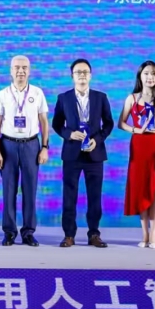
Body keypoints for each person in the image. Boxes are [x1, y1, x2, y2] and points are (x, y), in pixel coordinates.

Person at [51, 59, 114, 248]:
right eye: (78, 72)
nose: (82, 75)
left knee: (94, 196)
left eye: (85, 72)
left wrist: (98, 140)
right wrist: (69, 134)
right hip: (72, 154)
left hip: (95, 154)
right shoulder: (64, 98)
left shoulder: (100, 97)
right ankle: (69, 235)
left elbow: (109, 123)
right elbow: (56, 124)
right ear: (72, 76)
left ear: (91, 75)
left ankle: (94, 234)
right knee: (69, 196)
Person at [119, 60, 155, 248]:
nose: (150, 77)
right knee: (141, 189)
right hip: (139, 147)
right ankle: (144, 235)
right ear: (140, 76)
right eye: (146, 73)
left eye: (153, 74)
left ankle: (153, 235)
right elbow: (121, 123)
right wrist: (135, 130)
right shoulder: (132, 98)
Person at [0, 55, 50, 247]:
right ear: (11, 71)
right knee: (8, 190)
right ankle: (9, 232)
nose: (20, 71)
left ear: (29, 70)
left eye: (24, 67)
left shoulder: (37, 93)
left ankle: (28, 232)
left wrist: (44, 147)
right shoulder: (2, 94)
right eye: (17, 67)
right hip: (8, 145)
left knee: (30, 190)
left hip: (31, 145)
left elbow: (44, 121)